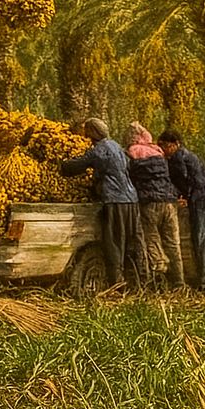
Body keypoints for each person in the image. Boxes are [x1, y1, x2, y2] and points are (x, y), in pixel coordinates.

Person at [60, 118, 145, 289]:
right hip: (131, 199)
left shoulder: (99, 151)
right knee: (133, 240)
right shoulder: (117, 147)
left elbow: (78, 165)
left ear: (92, 133)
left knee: (114, 241)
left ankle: (117, 283)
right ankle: (140, 280)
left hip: (115, 200)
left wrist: (60, 165)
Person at [124, 122, 185, 290]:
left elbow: (131, 177)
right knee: (173, 243)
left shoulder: (132, 152)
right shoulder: (158, 152)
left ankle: (160, 274)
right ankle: (179, 283)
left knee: (152, 240)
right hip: (169, 202)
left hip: (149, 203)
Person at [159, 130, 205, 291]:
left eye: (165, 146)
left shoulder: (178, 158)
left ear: (175, 144)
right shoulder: (191, 156)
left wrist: (184, 197)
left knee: (201, 241)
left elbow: (182, 179)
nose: (164, 150)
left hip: (200, 202)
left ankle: (204, 281)